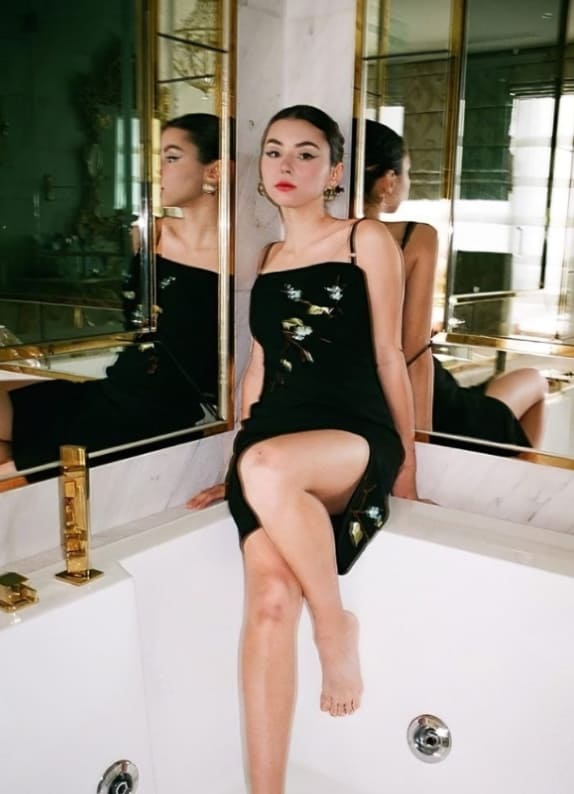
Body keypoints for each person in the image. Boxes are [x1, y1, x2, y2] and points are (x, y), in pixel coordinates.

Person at [188, 104, 417, 794]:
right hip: (272, 446)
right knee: (267, 604)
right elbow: (259, 369)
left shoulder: (363, 238)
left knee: (267, 467)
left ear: (335, 171)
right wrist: (235, 466)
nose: (286, 165)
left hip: (352, 435)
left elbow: (389, 356)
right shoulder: (266, 257)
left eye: (306, 153)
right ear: (260, 169)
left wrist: (406, 469)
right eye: (274, 151)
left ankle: (333, 627)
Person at [0, 112, 221, 476]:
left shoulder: (238, 259)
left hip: (157, 416)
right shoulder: (149, 237)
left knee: (12, 460)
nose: (157, 170)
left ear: (213, 171)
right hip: (114, 390)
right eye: (157, 157)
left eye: (171, 157)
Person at [363, 119, 548, 453]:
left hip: (374, 395)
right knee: (535, 381)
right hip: (430, 400)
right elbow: (414, 354)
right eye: (408, 172)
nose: (408, 182)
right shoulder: (411, 238)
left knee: (517, 386)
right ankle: (519, 476)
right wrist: (421, 445)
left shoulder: (311, 243)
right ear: (388, 181)